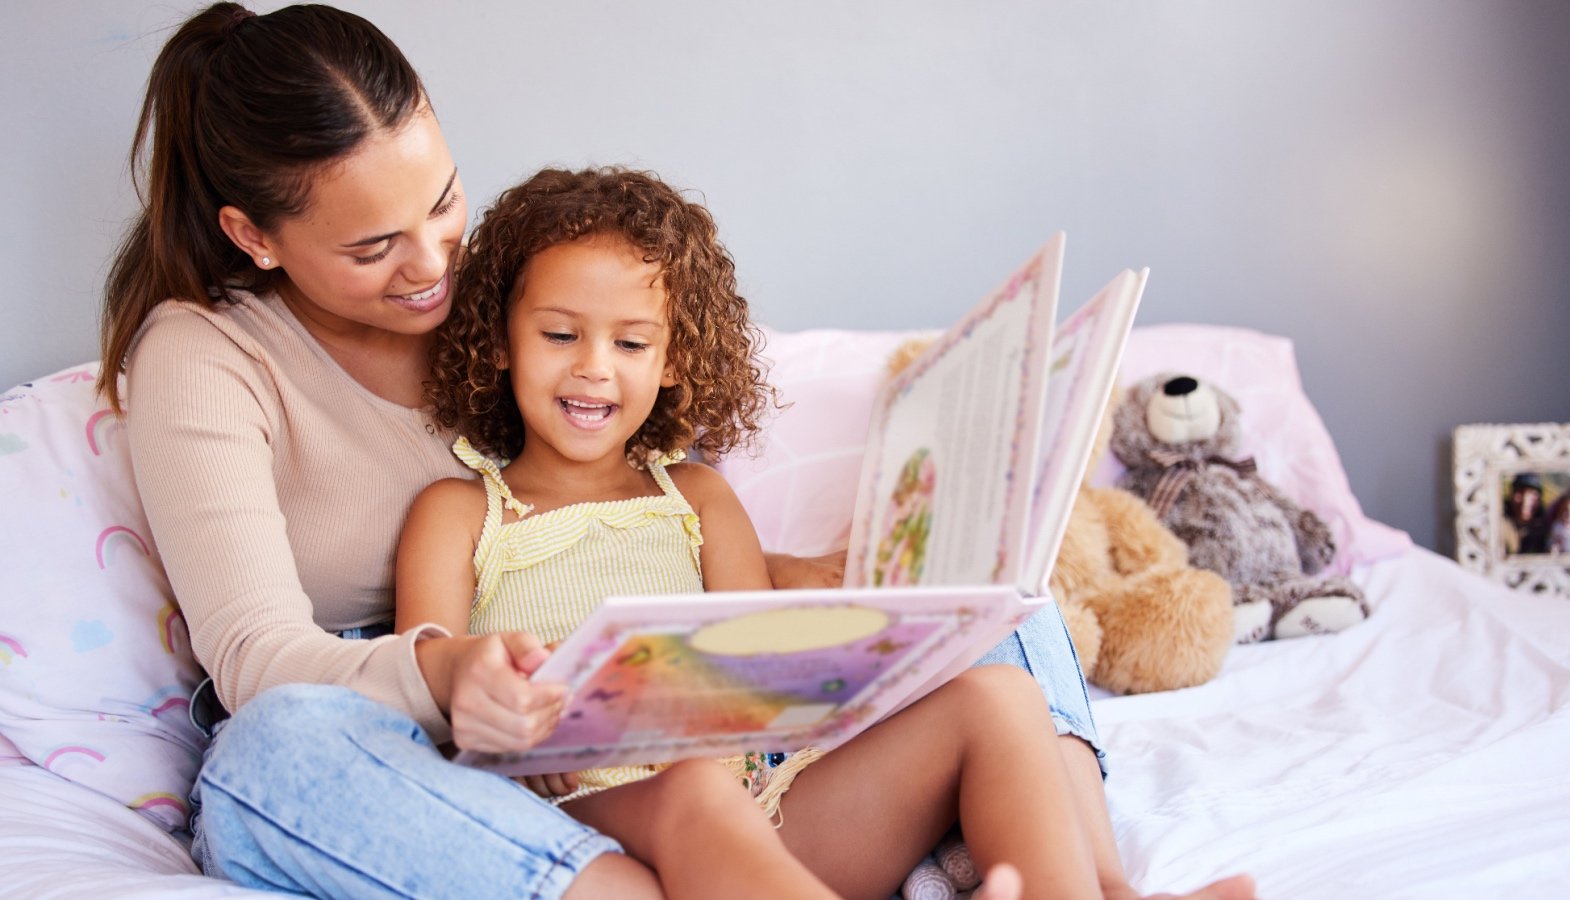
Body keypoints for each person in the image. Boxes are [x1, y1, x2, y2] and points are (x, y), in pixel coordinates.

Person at [97, 4, 1251, 898]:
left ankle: (1095, 881)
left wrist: (872, 578)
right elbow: (260, 661)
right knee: (274, 750)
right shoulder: (207, 359)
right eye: (374, 246)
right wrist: (451, 671)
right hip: (428, 720)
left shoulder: (508, 299)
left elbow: (702, 580)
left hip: (710, 721)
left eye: (445, 205)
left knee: (1004, 600)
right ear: (254, 235)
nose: (433, 266)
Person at [395, 165, 1109, 898]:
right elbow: (421, 698)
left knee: (1003, 697)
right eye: (559, 334)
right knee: (696, 784)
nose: (593, 368)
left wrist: (886, 630)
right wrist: (504, 722)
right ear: (500, 340)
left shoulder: (699, 498)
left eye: (632, 345)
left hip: (760, 818)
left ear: (673, 360)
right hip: (577, 829)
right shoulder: (458, 512)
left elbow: (766, 699)